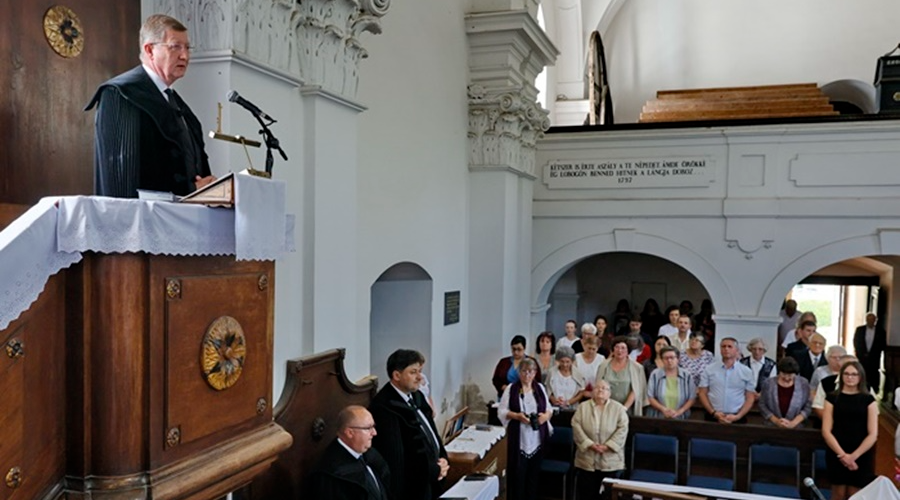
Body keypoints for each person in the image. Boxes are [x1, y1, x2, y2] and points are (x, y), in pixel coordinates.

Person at [85, 14, 216, 198]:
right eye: (175, 47)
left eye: (187, 47)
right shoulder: (121, 94)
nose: (185, 55)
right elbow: (122, 178)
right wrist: (191, 190)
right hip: (142, 222)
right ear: (150, 50)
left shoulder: (179, 105)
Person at [370, 349, 448, 500]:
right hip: (412, 490)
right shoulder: (385, 407)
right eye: (413, 372)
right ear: (397, 375)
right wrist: (433, 470)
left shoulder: (416, 395)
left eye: (419, 371)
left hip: (432, 479)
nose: (419, 377)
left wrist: (443, 457)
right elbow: (397, 458)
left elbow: (431, 432)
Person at [821, 360, 879, 500]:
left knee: (856, 495)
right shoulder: (832, 398)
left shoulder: (869, 399)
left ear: (860, 377)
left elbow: (873, 434)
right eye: (846, 374)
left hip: (861, 453)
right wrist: (843, 455)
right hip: (837, 450)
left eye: (854, 374)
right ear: (841, 376)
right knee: (838, 494)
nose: (850, 377)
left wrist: (853, 456)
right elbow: (826, 431)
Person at [498, 358, 553, 500]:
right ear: (519, 372)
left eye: (530, 371)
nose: (527, 375)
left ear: (535, 373)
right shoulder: (512, 388)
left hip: (536, 439)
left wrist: (544, 417)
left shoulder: (539, 388)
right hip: (519, 438)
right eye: (524, 371)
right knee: (518, 477)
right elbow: (502, 411)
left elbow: (549, 409)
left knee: (533, 479)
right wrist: (516, 416)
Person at [310, 405, 392, 500]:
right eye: (368, 428)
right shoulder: (331, 474)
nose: (374, 433)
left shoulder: (371, 455)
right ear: (350, 433)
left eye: (373, 426)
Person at [571, 380, 629, 500]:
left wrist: (607, 446)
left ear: (610, 393)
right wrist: (589, 444)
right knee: (587, 494)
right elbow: (576, 426)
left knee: (608, 495)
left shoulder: (618, 409)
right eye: (597, 387)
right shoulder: (583, 407)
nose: (600, 390)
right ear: (592, 392)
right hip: (586, 460)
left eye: (604, 388)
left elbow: (622, 429)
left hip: (611, 461)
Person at [698, 337, 755, 424]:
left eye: (729, 346)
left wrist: (738, 416)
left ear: (736, 350)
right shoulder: (709, 369)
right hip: (713, 415)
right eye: (723, 346)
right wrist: (713, 412)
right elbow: (702, 393)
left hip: (737, 416)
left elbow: (750, 397)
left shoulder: (746, 371)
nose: (726, 349)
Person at [595, 336, 648, 416]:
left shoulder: (637, 368)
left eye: (623, 348)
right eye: (617, 347)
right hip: (606, 409)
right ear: (613, 349)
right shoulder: (603, 365)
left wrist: (624, 408)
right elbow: (598, 387)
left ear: (628, 351)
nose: (620, 350)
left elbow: (636, 390)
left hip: (627, 410)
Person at [757, 357, 812, 428]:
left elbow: (808, 406)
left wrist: (793, 423)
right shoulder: (768, 383)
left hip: (797, 427)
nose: (786, 378)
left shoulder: (803, 383)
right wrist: (776, 421)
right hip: (772, 426)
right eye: (783, 374)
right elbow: (762, 404)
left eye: (790, 375)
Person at [646, 346, 696, 419]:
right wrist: (663, 409)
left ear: (678, 359)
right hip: (658, 416)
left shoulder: (686, 375)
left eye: (672, 357)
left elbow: (692, 398)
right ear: (662, 360)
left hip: (681, 417)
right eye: (666, 358)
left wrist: (679, 411)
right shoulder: (655, 374)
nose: (669, 360)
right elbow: (650, 396)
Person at [811, 354, 858, 419]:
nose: (850, 369)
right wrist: (831, 422)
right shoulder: (826, 383)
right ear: (839, 367)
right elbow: (818, 407)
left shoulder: (866, 386)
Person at [853, 312, 887, 393]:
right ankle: (861, 388)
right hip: (862, 357)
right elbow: (856, 342)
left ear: (875, 320)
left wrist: (874, 354)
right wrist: (861, 353)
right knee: (862, 372)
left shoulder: (881, 331)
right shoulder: (860, 330)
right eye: (869, 320)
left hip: (874, 358)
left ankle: (875, 390)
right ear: (866, 320)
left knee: (874, 373)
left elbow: (882, 345)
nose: (870, 321)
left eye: (872, 320)